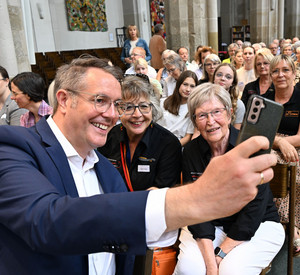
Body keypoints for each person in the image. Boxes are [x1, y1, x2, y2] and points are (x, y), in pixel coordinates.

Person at [0, 55, 278, 274]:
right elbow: (47, 221)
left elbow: (128, 235)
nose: (112, 115)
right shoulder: (15, 146)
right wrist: (193, 199)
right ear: (63, 99)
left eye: (116, 104)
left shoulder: (105, 171)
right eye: (100, 101)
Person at [173, 83, 285, 275]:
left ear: (229, 113)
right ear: (194, 121)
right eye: (202, 115)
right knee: (189, 270)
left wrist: (221, 255)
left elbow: (255, 208)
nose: (210, 121)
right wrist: (210, 265)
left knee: (231, 271)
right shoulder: (191, 151)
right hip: (209, 223)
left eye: (216, 112)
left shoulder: (250, 146)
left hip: (257, 224)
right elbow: (195, 206)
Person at [98, 75, 181, 191]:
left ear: (152, 108)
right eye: (128, 107)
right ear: (118, 109)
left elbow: (162, 193)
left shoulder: (168, 144)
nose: (137, 114)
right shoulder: (108, 136)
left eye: (143, 106)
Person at [262, 54, 300, 257]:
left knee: (291, 168)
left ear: (294, 73)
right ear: (270, 75)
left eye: (285, 70)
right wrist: (280, 141)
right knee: (268, 165)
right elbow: (258, 132)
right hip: (269, 145)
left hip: (296, 147)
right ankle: (285, 224)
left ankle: (290, 224)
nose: (280, 74)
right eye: (275, 70)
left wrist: (284, 143)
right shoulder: (264, 100)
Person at [157, 70, 198, 146]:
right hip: (158, 141)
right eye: (185, 84)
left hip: (177, 145)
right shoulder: (163, 102)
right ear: (179, 84)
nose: (188, 89)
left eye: (192, 86)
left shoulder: (193, 109)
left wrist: (172, 148)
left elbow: (188, 137)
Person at [213, 63, 245, 129]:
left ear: (232, 83)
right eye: (219, 75)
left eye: (228, 77)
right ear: (214, 78)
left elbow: (236, 133)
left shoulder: (238, 105)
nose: (222, 78)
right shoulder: (203, 100)